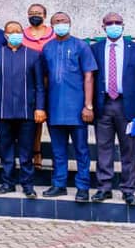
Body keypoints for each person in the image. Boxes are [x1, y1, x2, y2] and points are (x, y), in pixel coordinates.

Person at [89, 12, 135, 206]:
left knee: (129, 149)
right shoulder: (95, 49)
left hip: (128, 106)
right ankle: (104, 187)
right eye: (110, 23)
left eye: (118, 22)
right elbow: (90, 78)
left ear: (123, 25)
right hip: (104, 105)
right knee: (103, 147)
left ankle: (128, 189)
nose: (114, 25)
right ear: (103, 27)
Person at [41, 12, 96, 202]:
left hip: (77, 109)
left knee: (81, 150)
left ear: (70, 23)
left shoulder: (81, 46)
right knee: (58, 151)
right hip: (54, 109)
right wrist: (43, 106)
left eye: (63, 21)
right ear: (51, 25)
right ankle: (59, 184)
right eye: (56, 22)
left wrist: (88, 106)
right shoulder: (47, 48)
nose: (60, 24)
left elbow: (89, 76)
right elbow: (45, 79)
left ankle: (83, 187)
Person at [0, 21, 46, 198]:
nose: (14, 34)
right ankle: (8, 183)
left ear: (23, 33)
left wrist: (40, 108)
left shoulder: (34, 55)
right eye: (11, 31)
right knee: (6, 149)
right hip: (3, 111)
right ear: (5, 35)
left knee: (26, 151)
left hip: (27, 111)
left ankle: (28, 185)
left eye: (18, 31)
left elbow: (39, 85)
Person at [23, 2, 54, 170]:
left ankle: (57, 157)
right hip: (31, 84)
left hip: (52, 83)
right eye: (31, 12)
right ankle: (36, 153)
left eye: (38, 13)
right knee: (34, 121)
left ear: (45, 15)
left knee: (53, 120)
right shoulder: (22, 35)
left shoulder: (54, 34)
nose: (35, 15)